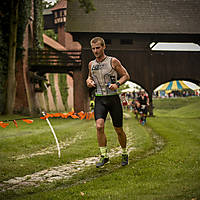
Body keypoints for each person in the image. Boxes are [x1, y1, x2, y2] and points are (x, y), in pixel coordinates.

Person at [86, 37, 130, 168]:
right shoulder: (91, 64)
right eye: (93, 48)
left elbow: (126, 76)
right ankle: (104, 156)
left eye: (98, 48)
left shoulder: (113, 61)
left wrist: (117, 84)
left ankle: (124, 153)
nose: (95, 51)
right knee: (99, 126)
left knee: (118, 129)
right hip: (99, 98)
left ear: (104, 47)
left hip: (113, 99)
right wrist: (88, 82)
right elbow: (89, 77)